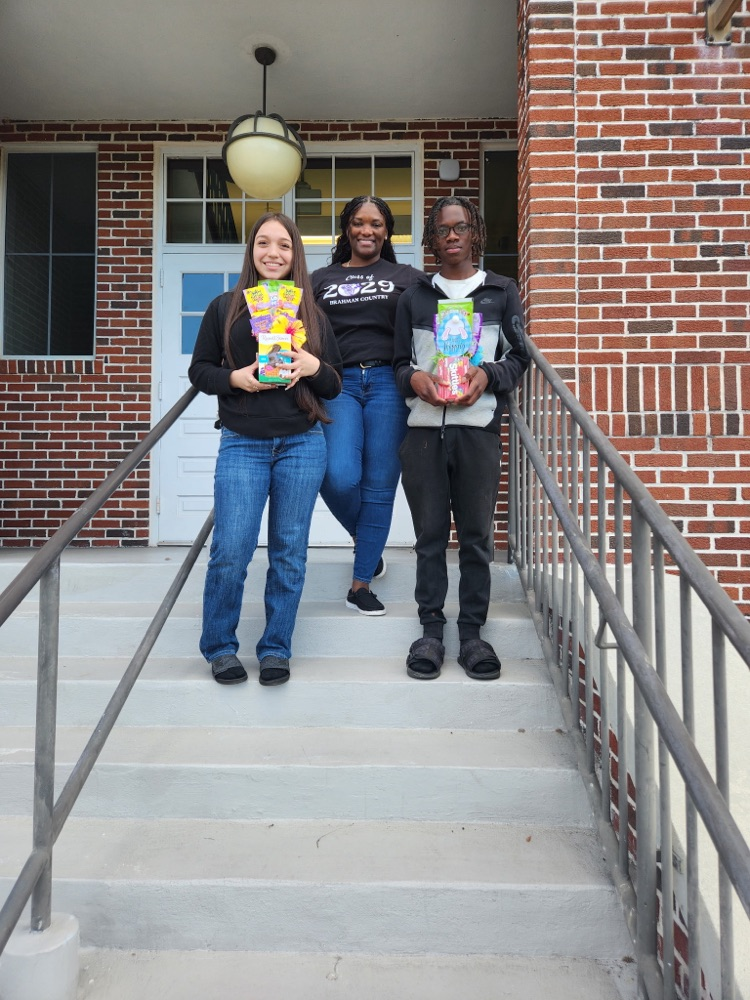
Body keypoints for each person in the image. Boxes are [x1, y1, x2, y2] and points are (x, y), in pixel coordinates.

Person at [189, 213, 343, 687]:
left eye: (284, 245)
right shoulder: (224, 308)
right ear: (251, 251)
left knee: (289, 553)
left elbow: (334, 384)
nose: (273, 253)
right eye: (263, 244)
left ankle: (276, 647)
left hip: (302, 443)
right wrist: (234, 378)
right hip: (243, 444)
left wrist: (313, 364)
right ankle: (219, 647)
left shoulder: (312, 314)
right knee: (231, 550)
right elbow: (200, 371)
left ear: (296, 254)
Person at [393, 196, 530, 681]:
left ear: (476, 234)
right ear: (432, 238)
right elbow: (397, 363)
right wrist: (414, 380)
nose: (452, 236)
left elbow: (519, 357)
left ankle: (472, 634)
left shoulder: (500, 291)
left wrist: (486, 376)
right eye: (442, 230)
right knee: (429, 538)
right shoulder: (414, 296)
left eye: (461, 228)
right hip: (424, 434)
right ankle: (431, 630)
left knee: (475, 539)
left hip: (478, 433)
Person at [312, 196, 422, 616]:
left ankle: (360, 584)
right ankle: (370, 546)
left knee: (379, 483)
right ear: (346, 229)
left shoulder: (407, 277)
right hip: (336, 382)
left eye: (376, 223)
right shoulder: (321, 278)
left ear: (387, 231)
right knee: (336, 474)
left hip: (387, 383)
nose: (367, 230)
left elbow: (433, 319)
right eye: (358, 223)